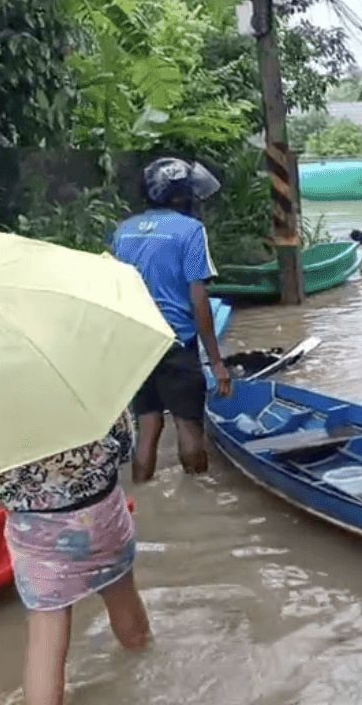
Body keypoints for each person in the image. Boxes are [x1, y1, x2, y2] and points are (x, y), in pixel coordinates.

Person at [0, 413, 149, 705]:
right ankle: (144, 665)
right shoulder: (77, 389)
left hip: (39, 530)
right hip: (103, 514)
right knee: (121, 591)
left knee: (47, 633)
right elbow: (123, 441)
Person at [112, 157, 231, 483]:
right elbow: (198, 297)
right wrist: (216, 361)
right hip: (177, 342)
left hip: (139, 343)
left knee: (148, 426)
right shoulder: (190, 231)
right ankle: (197, 493)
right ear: (181, 195)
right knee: (188, 423)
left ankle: (144, 494)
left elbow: (116, 289)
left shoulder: (124, 232)